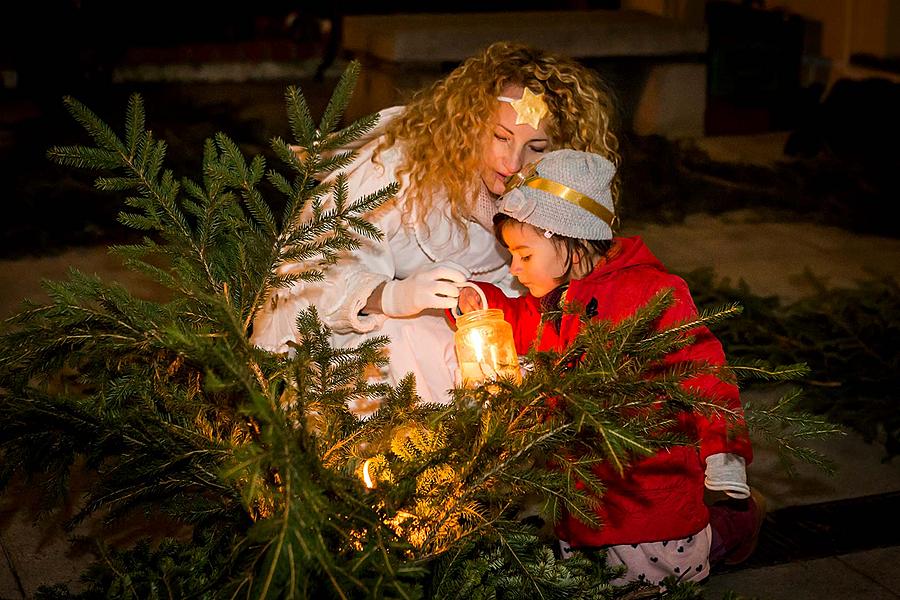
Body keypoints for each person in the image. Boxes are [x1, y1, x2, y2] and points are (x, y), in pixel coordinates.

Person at [250, 41, 620, 408]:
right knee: (403, 332)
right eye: (500, 137)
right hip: (378, 359)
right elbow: (317, 271)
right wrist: (393, 296)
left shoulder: (555, 201)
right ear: (471, 124)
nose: (512, 162)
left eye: (536, 148)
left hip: (484, 354)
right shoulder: (400, 173)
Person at [454, 149, 761, 585]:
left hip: (648, 489)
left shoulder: (655, 293)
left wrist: (724, 453)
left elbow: (704, 372)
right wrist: (481, 301)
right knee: (591, 574)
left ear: (573, 240)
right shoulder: (559, 297)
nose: (516, 269)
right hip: (583, 493)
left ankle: (738, 524)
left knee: (669, 564)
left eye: (523, 254)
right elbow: (523, 322)